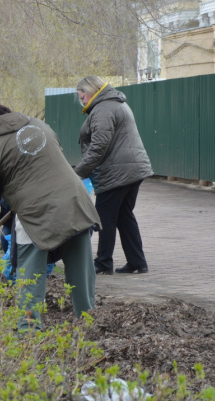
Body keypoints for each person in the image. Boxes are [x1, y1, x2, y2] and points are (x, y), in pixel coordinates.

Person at [0, 103, 101, 333]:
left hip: (36, 214)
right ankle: (87, 323)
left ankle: (28, 329)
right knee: (80, 269)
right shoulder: (40, 125)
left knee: (30, 273)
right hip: (75, 202)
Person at [75, 76, 154, 275]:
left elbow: (99, 146)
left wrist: (78, 172)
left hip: (117, 172)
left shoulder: (103, 109)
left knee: (104, 218)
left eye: (82, 95)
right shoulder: (114, 103)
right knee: (124, 216)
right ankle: (137, 261)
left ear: (91, 91)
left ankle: (103, 263)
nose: (82, 101)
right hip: (131, 169)